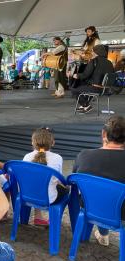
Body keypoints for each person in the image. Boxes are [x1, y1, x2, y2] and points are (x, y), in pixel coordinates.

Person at [73, 116, 125, 246]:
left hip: (91, 207)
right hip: (122, 212)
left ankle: (103, 234)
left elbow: (74, 180)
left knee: (100, 195)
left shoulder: (83, 155)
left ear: (103, 134)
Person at [23, 128, 68, 226]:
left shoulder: (26, 157)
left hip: (28, 195)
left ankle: (38, 216)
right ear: (53, 143)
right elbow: (59, 181)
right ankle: (54, 220)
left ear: (32, 142)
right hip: (49, 199)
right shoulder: (57, 158)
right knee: (66, 191)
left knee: (37, 184)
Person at [71, 44, 114, 113]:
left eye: (93, 51)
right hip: (107, 89)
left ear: (96, 52)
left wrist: (76, 75)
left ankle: (86, 105)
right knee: (87, 85)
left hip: (96, 89)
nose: (92, 53)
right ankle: (84, 105)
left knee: (74, 89)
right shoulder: (109, 62)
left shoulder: (94, 61)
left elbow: (85, 75)